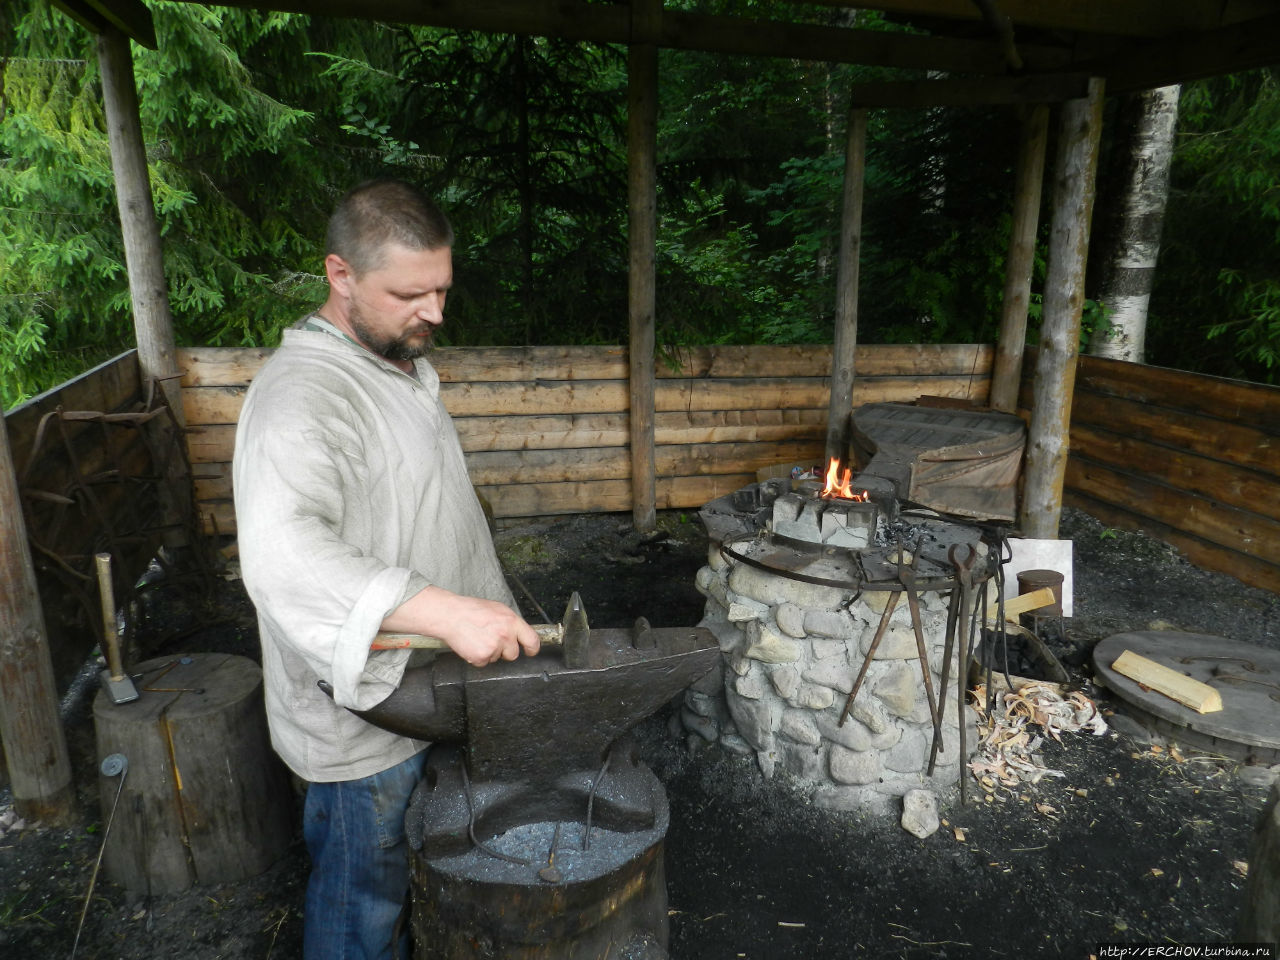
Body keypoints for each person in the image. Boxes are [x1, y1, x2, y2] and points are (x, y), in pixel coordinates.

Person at [232, 179, 540, 960]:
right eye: (410, 293)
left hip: (426, 683)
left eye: (441, 288)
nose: (435, 312)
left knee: (414, 872)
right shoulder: (300, 398)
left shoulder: (391, 360)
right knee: (360, 901)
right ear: (340, 276)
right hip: (360, 719)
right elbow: (282, 552)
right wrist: (443, 610)